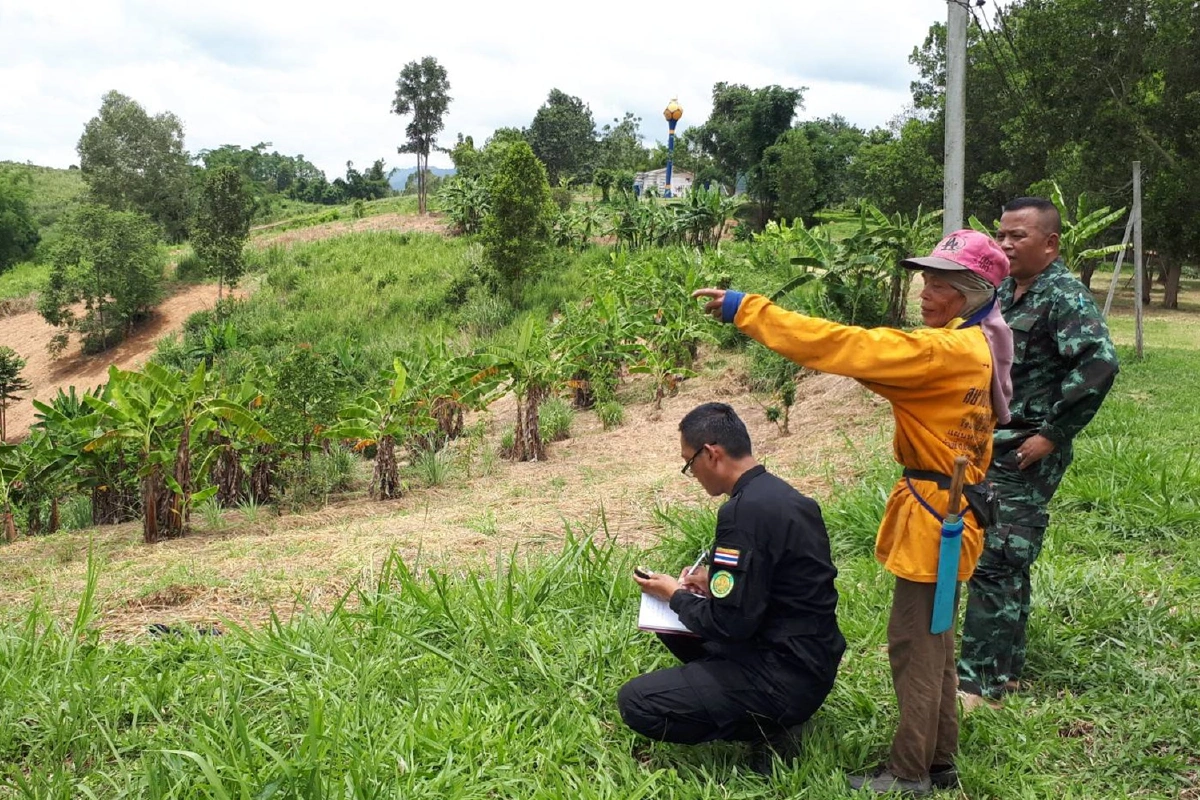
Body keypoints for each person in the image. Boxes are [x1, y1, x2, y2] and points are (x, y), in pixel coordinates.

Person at [693, 229, 1013, 796]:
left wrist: (750, 310)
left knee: (915, 647)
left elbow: (845, 346)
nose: (925, 293)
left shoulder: (941, 352)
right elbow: (861, 357)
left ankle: (910, 772)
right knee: (935, 643)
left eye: (940, 285)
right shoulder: (975, 344)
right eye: (925, 280)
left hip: (936, 519)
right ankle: (939, 760)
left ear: (970, 294)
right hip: (952, 510)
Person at [617, 402, 845, 775]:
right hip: (813, 664)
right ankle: (761, 707)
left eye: (689, 464)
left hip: (781, 678)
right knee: (674, 628)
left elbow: (730, 624)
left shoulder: (740, 514)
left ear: (711, 454)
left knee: (637, 701)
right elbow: (780, 583)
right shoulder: (787, 497)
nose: (692, 474)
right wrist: (711, 582)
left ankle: (769, 727)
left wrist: (675, 594)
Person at [957, 198, 1119, 709]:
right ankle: (1005, 673)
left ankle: (977, 685)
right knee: (1009, 559)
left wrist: (1053, 433)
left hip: (1027, 449)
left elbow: (1099, 364)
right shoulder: (1005, 290)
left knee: (995, 559)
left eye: (1017, 236)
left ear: (1050, 243)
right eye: (1001, 235)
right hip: (995, 442)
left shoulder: (1064, 296)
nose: (1005, 244)